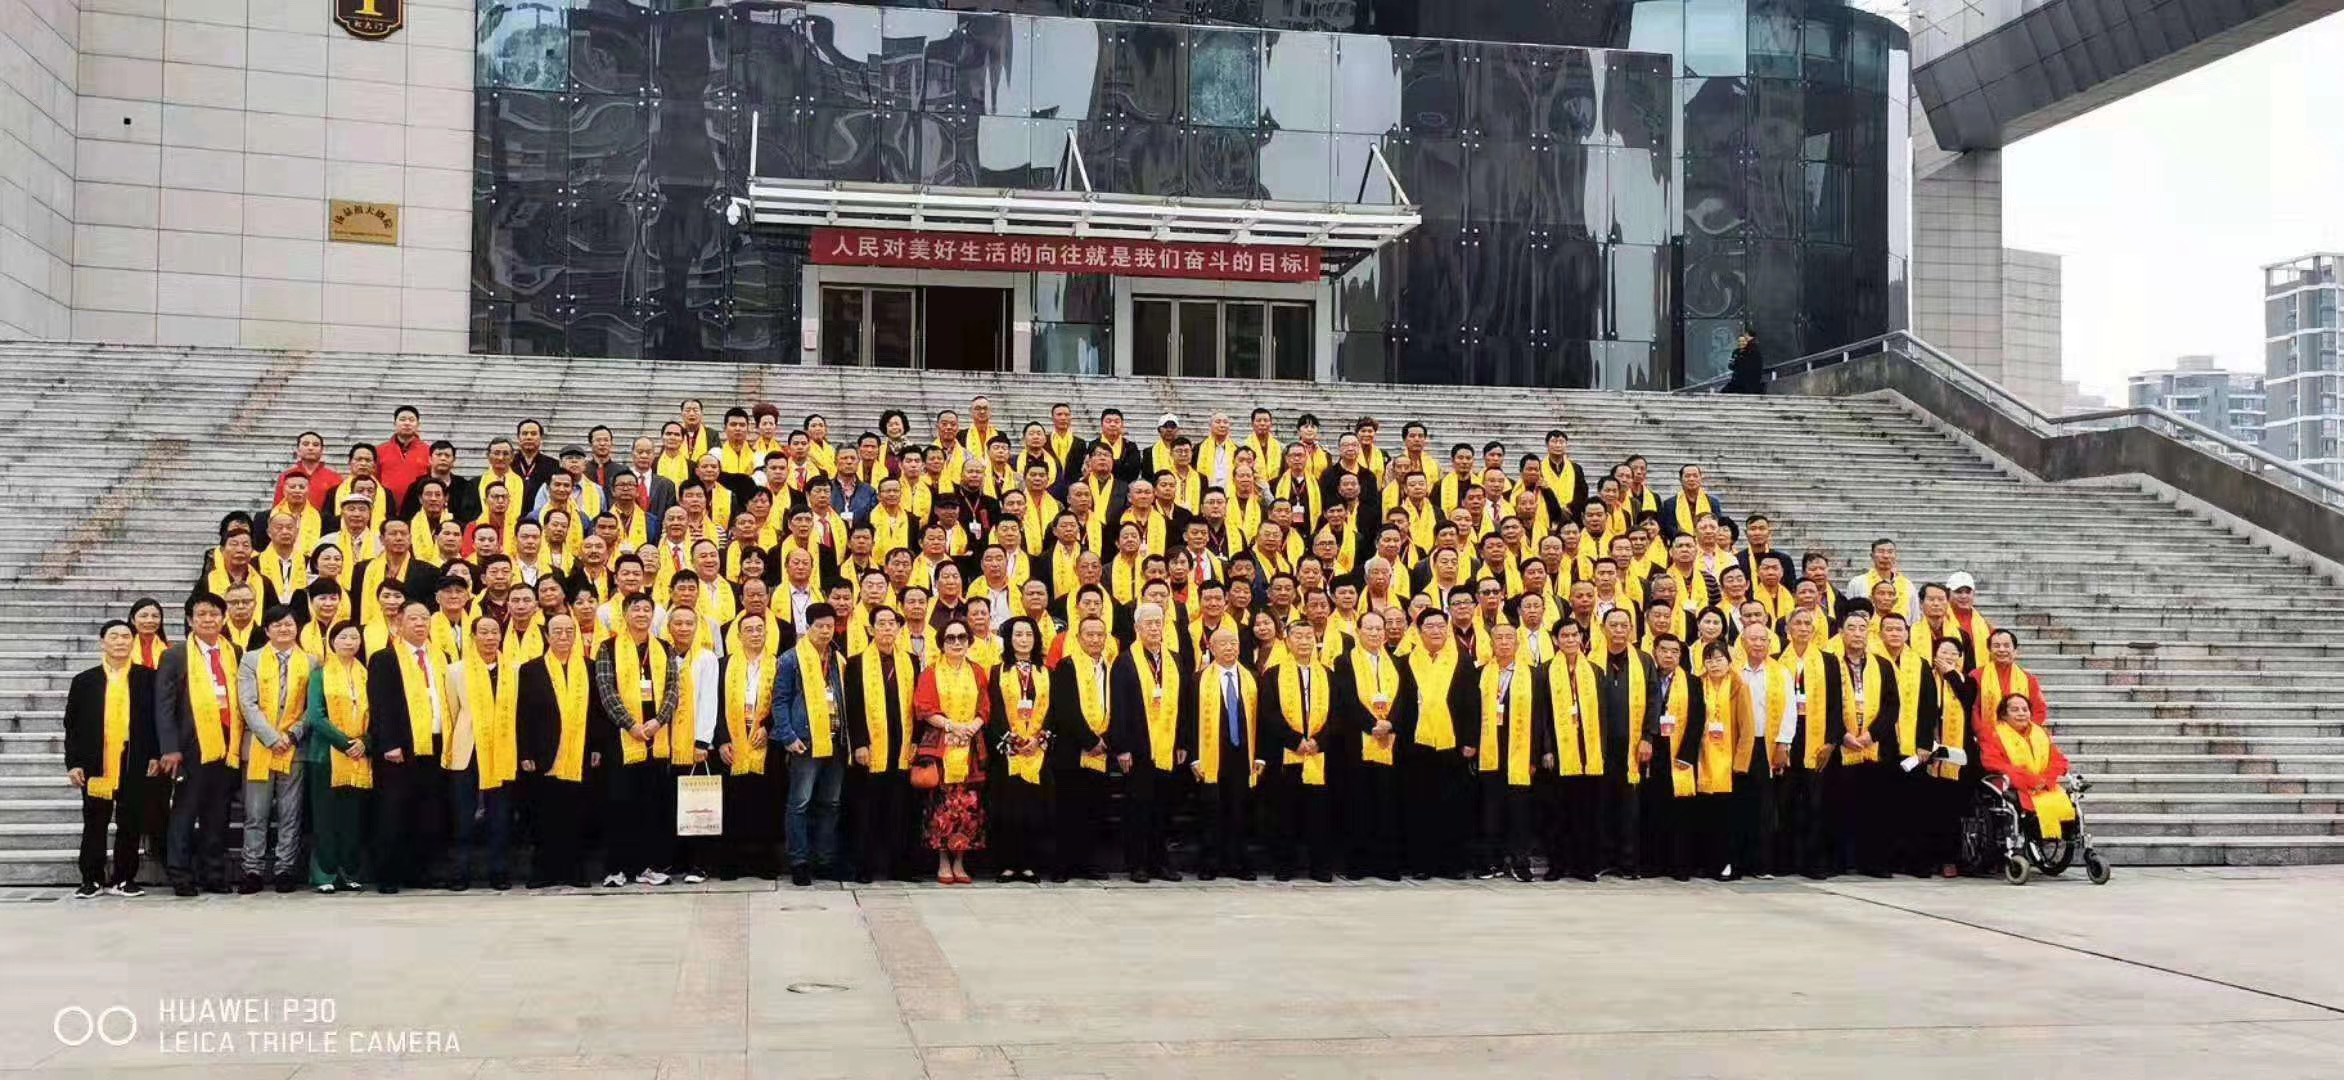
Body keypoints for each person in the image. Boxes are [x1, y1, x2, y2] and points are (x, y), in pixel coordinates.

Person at [591, 593, 683, 888]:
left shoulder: (664, 648)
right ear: (624, 613)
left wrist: (658, 721)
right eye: (636, 609)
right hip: (621, 738)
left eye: (646, 609)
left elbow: (673, 689)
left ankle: (647, 866)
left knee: (651, 805)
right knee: (620, 804)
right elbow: (606, 691)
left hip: (656, 737)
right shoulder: (607, 648)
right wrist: (631, 724)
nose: (642, 614)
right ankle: (617, 868)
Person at [154, 591, 243, 896]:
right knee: (185, 811)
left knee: (218, 813)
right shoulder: (175, 655)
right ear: (190, 621)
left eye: (214, 614)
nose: (208, 619)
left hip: (227, 743)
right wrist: (170, 748)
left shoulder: (234, 652)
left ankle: (214, 873)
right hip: (191, 745)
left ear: (224, 618)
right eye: (201, 614)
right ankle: (180, 874)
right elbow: (164, 705)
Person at [64, 620, 159, 898]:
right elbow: (72, 726)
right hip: (96, 761)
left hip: (134, 758)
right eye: (114, 636)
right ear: (102, 642)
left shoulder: (147, 678)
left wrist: (155, 754)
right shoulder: (85, 681)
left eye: (126, 636)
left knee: (131, 820)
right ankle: (91, 879)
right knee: (95, 820)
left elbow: (156, 721)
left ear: (133, 642)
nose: (120, 641)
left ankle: (124, 878)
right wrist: (74, 763)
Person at [366, 599, 449, 893]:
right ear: (399, 622)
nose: (420, 623)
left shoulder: (441, 656)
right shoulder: (385, 658)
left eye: (425, 618)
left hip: (436, 743)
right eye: (413, 618)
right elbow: (381, 704)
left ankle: (420, 871)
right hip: (400, 746)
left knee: (427, 812)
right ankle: (388, 874)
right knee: (394, 812)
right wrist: (389, 743)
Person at [234, 605, 309, 893]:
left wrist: (291, 734)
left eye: (289, 624)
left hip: (294, 747)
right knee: (256, 812)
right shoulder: (250, 660)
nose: (284, 629)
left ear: (297, 628)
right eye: (277, 625)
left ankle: (285, 868)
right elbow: (247, 703)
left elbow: (312, 707)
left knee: (291, 812)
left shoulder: (311, 662)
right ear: (267, 630)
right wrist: (270, 737)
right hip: (259, 746)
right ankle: (251, 869)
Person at [517, 612, 595, 889]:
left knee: (576, 815)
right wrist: (525, 752)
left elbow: (596, 712)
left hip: (579, 752)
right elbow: (522, 714)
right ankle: (544, 872)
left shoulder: (589, 667)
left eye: (569, 631)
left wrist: (596, 747)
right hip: (543, 753)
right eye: (557, 631)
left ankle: (575, 871)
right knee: (544, 816)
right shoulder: (531, 669)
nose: (563, 636)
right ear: (547, 636)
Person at [443, 613, 521, 890]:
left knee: (500, 815)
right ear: (473, 636)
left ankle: (499, 871)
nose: (489, 637)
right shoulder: (456, 671)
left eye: (494, 632)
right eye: (483, 632)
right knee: (463, 815)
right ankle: (460, 872)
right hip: (469, 749)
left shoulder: (514, 670)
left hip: (502, 748)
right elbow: (452, 711)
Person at [1110, 602, 1185, 882]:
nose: (1154, 628)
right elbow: (1119, 707)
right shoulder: (1124, 661)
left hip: (1168, 745)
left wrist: (1182, 742)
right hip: (1138, 747)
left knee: (1163, 808)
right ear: (1137, 628)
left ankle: (1160, 862)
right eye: (1148, 623)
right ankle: (1137, 864)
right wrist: (1122, 748)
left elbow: (1184, 703)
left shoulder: (1174, 659)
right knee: (1138, 807)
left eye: (1158, 622)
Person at [775, 602, 848, 886]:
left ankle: (824, 860)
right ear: (808, 627)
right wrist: (788, 736)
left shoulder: (838, 657)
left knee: (831, 803)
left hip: (836, 739)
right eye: (820, 626)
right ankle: (799, 861)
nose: (826, 632)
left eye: (830, 626)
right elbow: (780, 700)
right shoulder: (791, 658)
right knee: (800, 802)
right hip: (804, 741)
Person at [844, 607, 917, 883]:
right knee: (867, 809)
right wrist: (859, 743)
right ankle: (865, 867)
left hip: (902, 744)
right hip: (871, 746)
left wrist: (916, 740)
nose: (887, 628)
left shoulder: (911, 661)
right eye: (881, 623)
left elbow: (916, 706)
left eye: (892, 623)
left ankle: (900, 867)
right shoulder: (856, 663)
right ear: (871, 629)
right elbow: (852, 707)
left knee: (899, 809)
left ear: (899, 629)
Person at [1335, 609, 1408, 880]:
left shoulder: (1397, 662)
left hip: (1390, 740)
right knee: (1359, 801)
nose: (1376, 633)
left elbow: (1403, 699)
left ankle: (1386, 863)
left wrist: (1390, 723)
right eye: (1370, 628)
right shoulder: (1345, 661)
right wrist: (1370, 724)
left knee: (1387, 802)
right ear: (1359, 631)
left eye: (1380, 629)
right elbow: (1345, 699)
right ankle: (1358, 863)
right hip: (1357, 740)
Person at [916, 620, 990, 885]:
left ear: (969, 641)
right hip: (942, 745)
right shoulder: (930, 672)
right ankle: (943, 862)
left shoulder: (978, 671)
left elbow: (985, 707)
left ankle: (960, 861)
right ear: (941, 643)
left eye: (962, 638)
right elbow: (923, 707)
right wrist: (951, 726)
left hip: (970, 746)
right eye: (950, 638)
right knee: (942, 806)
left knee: (969, 807)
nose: (957, 643)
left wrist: (971, 727)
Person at [1263, 619, 1338, 881]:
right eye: (1298, 636)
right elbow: (1269, 713)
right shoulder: (1273, 675)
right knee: (1285, 811)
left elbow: (1337, 714)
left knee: (1319, 812)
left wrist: (1319, 740)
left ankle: (1320, 866)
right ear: (1287, 640)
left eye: (1309, 636)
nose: (1304, 641)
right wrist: (1294, 740)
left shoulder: (1327, 674)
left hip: (1319, 753)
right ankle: (1285, 865)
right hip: (1287, 753)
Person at [1402, 609, 1474, 879]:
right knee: (1420, 806)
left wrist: (1470, 740)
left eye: (1441, 626)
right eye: (1429, 626)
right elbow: (1403, 705)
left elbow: (1471, 703)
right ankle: (1422, 864)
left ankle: (1452, 864)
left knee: (1452, 807)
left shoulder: (1462, 660)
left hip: (1452, 744)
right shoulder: (1406, 662)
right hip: (1417, 745)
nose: (1436, 631)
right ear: (1419, 632)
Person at [302, 620, 373, 891]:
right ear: (332, 642)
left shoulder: (366, 674)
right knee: (326, 816)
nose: (349, 642)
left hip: (359, 758)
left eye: (354, 637)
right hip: (326, 756)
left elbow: (376, 712)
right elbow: (315, 716)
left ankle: (350, 871)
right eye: (343, 637)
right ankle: (325, 874)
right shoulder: (320, 675)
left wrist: (364, 742)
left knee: (352, 818)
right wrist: (345, 743)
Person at [1188, 626, 1261, 881]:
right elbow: (1189, 720)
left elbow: (1261, 719)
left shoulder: (1252, 678)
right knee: (1211, 811)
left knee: (1239, 810)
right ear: (1211, 647)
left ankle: (1237, 862)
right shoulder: (1198, 679)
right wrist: (1194, 756)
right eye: (1223, 643)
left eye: (1234, 643)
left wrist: (1259, 756)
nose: (1229, 647)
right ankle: (1210, 863)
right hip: (1211, 754)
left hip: (1243, 755)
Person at [1048, 613, 1116, 881]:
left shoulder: (1111, 667)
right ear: (1078, 637)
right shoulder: (1066, 666)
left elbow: (1116, 707)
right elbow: (1064, 709)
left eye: (1100, 635)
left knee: (1094, 810)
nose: (1095, 639)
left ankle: (1089, 863)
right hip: (1072, 750)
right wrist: (1089, 740)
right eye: (1090, 634)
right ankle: (1063, 865)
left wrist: (1105, 740)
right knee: (1068, 810)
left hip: (1102, 751)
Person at [710, 612, 778, 880]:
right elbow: (714, 705)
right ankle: (731, 863)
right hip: (732, 744)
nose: (755, 633)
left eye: (760, 628)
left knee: (765, 804)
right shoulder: (723, 665)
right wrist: (722, 740)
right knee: (732, 804)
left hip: (764, 743)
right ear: (738, 636)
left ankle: (764, 863)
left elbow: (783, 701)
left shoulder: (778, 664)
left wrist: (768, 727)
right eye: (749, 629)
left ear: (766, 633)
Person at [986, 617, 1053, 883]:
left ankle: (1029, 864)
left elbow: (1054, 710)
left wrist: (1039, 738)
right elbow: (993, 710)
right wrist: (1010, 739)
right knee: (1007, 809)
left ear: (1036, 639)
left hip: (1037, 750)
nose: (1023, 640)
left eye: (1028, 634)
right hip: (1008, 751)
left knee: (1033, 809)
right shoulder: (997, 672)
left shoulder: (1047, 672)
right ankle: (1006, 864)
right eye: (1018, 635)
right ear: (1009, 639)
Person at [1471, 623, 1536, 882]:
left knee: (1520, 811)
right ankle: (1492, 861)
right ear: (1491, 643)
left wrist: (1536, 755)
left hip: (1520, 750)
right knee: (1490, 810)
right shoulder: (1480, 673)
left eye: (1510, 638)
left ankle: (1520, 862)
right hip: (1489, 749)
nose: (1505, 642)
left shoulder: (1533, 675)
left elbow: (1541, 717)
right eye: (1499, 638)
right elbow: (1471, 713)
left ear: (1517, 644)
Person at [1916, 637, 1979, 878]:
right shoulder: (1926, 678)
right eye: (1944, 652)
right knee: (1928, 808)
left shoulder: (1967, 681)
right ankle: (1927, 858)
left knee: (1951, 809)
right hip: (1930, 750)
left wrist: (1951, 674)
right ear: (1935, 655)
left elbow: (1967, 699)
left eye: (1954, 653)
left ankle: (1950, 859)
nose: (1949, 657)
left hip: (1957, 755)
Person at [1979, 693, 2075, 845]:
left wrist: (2046, 780)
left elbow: (2058, 760)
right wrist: (2029, 781)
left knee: (2068, 804)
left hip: (2044, 785)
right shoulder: (1993, 734)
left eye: (2025, 709)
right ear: (2003, 715)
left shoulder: (2040, 733)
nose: (2021, 713)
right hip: (2015, 786)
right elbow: (1993, 763)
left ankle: (2066, 836)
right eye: (2015, 710)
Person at [1726, 328, 1765, 394]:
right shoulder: (1736, 352)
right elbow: (1731, 366)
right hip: (1739, 381)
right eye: (1740, 341)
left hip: (1748, 382)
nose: (1741, 343)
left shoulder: (1753, 351)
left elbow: (1751, 367)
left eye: (1744, 340)